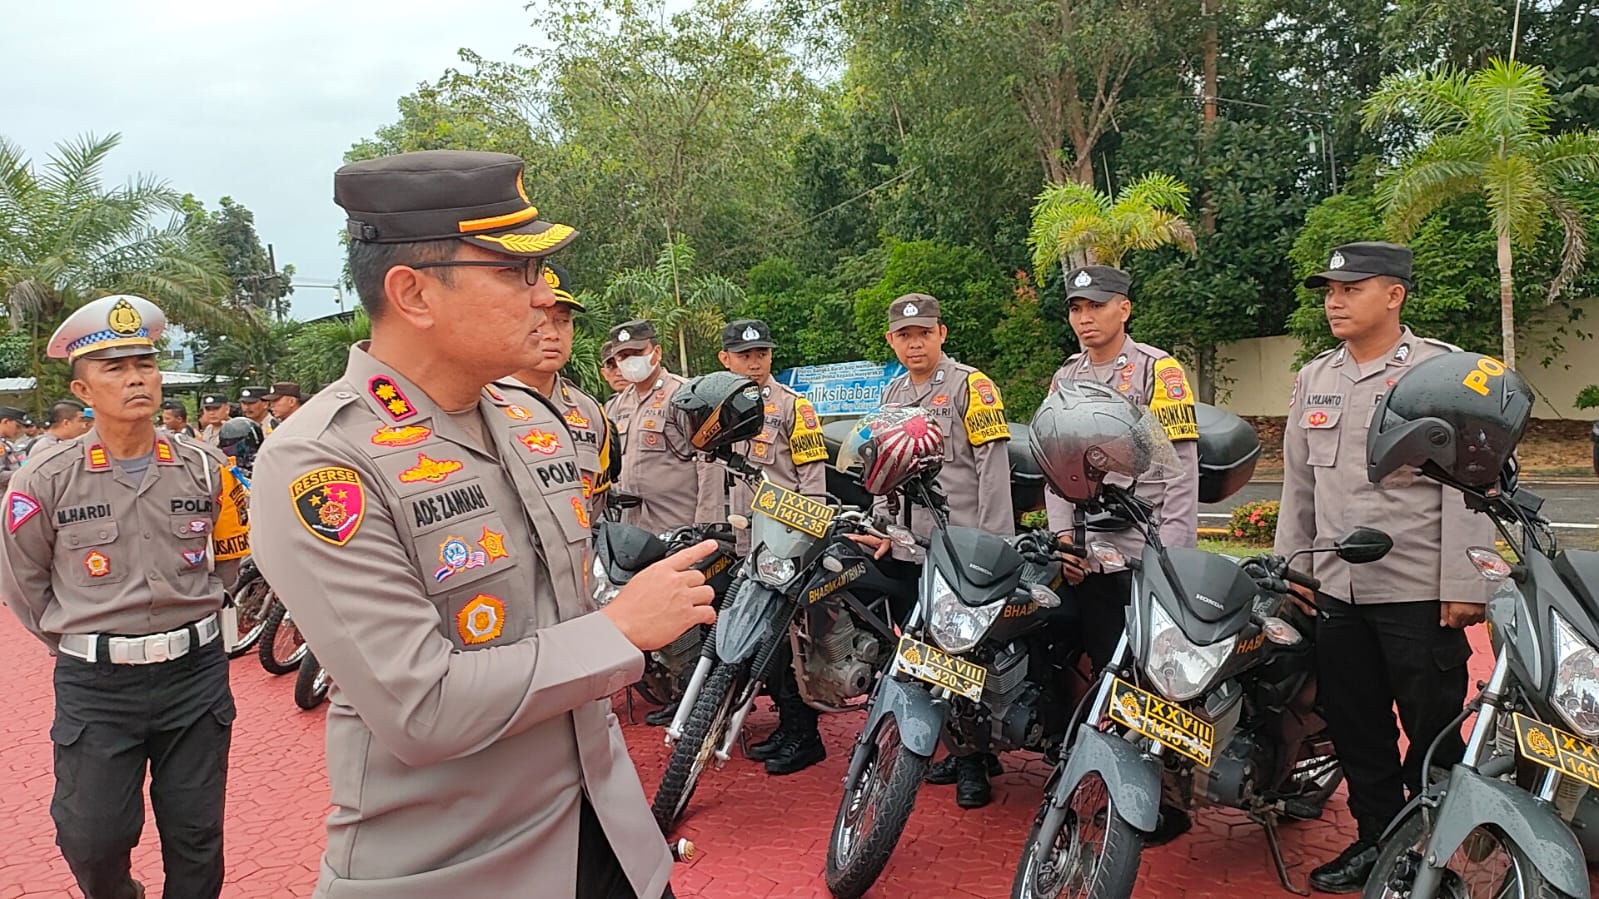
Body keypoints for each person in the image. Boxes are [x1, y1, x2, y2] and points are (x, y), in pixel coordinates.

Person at [249, 149, 712, 899]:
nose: (542, 297)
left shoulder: (534, 421)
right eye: (515, 273)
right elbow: (422, 706)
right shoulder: (319, 462)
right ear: (414, 294)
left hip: (613, 836)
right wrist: (621, 631)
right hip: (458, 867)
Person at [0, 294, 240, 899]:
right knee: (93, 836)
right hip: (97, 686)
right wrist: (81, 641)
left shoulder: (206, 469)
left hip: (194, 675)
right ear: (83, 391)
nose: (137, 378)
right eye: (115, 368)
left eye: (146, 364)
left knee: (196, 834)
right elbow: (24, 582)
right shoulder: (45, 478)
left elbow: (230, 556)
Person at [1275, 242, 1491, 894]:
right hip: (1338, 590)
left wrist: (1464, 581)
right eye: (1329, 290)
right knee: (1355, 726)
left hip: (1417, 592)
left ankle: (1437, 852)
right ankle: (1374, 840)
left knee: (1432, 732)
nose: (1333, 301)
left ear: (1393, 294)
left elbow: (1472, 482)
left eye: (1350, 288)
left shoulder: (1439, 372)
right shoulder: (1316, 377)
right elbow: (1297, 482)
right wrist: (1293, 568)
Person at [1043, 264, 1202, 840]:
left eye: (1096, 307)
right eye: (1076, 309)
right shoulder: (1067, 376)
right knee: (1099, 656)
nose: (1085, 319)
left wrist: (1174, 557)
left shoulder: (1160, 372)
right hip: (1091, 547)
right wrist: (1063, 533)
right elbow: (1053, 458)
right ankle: (1099, 773)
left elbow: (1182, 470)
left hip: (1148, 541)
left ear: (1123, 309)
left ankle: (1164, 798)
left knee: (1153, 675)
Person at [874, 293, 1013, 808]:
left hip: (963, 547)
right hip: (913, 545)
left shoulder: (970, 386)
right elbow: (885, 466)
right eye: (904, 336)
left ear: (941, 334)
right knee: (927, 652)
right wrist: (885, 525)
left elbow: (992, 470)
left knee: (963, 656)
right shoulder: (892, 392)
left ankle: (975, 762)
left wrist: (991, 545)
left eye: (923, 333)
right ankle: (956, 745)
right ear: (892, 341)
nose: (915, 343)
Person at [716, 318, 831, 774]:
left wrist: (810, 539)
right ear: (725, 360)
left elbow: (813, 481)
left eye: (761, 354)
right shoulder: (720, 407)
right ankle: (784, 726)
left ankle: (804, 735)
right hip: (743, 540)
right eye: (744, 356)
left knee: (788, 642)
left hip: (784, 543)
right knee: (757, 638)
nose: (755, 362)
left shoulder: (793, 407)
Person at [501, 262, 616, 522]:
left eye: (562, 321)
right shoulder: (479, 401)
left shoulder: (589, 412)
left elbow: (595, 503)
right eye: (539, 321)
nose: (552, 334)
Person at [606, 319, 723, 535]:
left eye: (637, 352)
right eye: (623, 356)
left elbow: (709, 462)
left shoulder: (685, 396)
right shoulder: (617, 404)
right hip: (631, 529)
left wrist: (707, 524)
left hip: (678, 528)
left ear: (656, 352)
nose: (630, 361)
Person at [25, 399, 89, 457]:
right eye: (80, 421)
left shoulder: (56, 443)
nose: (83, 426)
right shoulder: (48, 447)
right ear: (66, 423)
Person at [0, 406, 28, 486]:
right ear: (5, 422)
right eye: (17, 426)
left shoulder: (6, 443)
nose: (19, 431)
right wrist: (24, 474)